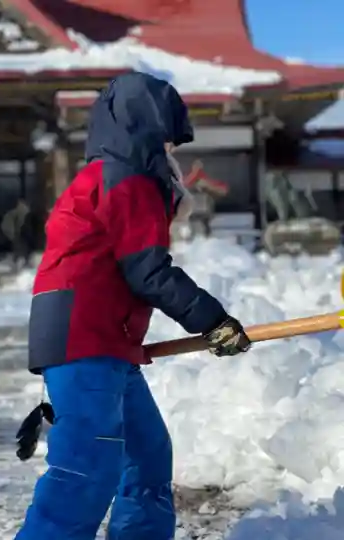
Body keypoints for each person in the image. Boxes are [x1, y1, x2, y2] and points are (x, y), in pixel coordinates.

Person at [14, 72, 252, 540]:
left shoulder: (116, 176)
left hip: (107, 343)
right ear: (146, 130)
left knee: (146, 457)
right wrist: (213, 322)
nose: (173, 156)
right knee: (86, 470)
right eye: (168, 143)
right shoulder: (127, 180)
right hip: (84, 338)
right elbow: (148, 271)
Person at [1, 198, 33, 269]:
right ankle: (20, 260)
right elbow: (8, 226)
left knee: (21, 247)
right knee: (20, 247)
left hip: (21, 236)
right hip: (19, 235)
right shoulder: (14, 214)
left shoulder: (19, 213)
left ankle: (21, 260)